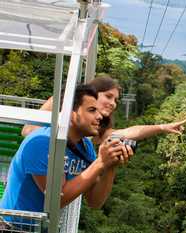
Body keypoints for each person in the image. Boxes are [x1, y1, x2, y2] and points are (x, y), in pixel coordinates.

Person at [0, 84, 133, 222]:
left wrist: (110, 165)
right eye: (92, 110)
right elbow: (55, 200)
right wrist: (100, 162)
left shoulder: (85, 146)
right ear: (70, 114)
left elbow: (94, 202)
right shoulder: (42, 142)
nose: (100, 116)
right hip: (13, 226)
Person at [22, 74, 186, 144]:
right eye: (108, 96)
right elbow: (28, 130)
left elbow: (128, 133)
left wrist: (161, 127)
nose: (113, 103)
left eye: (115, 100)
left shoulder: (96, 129)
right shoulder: (62, 103)